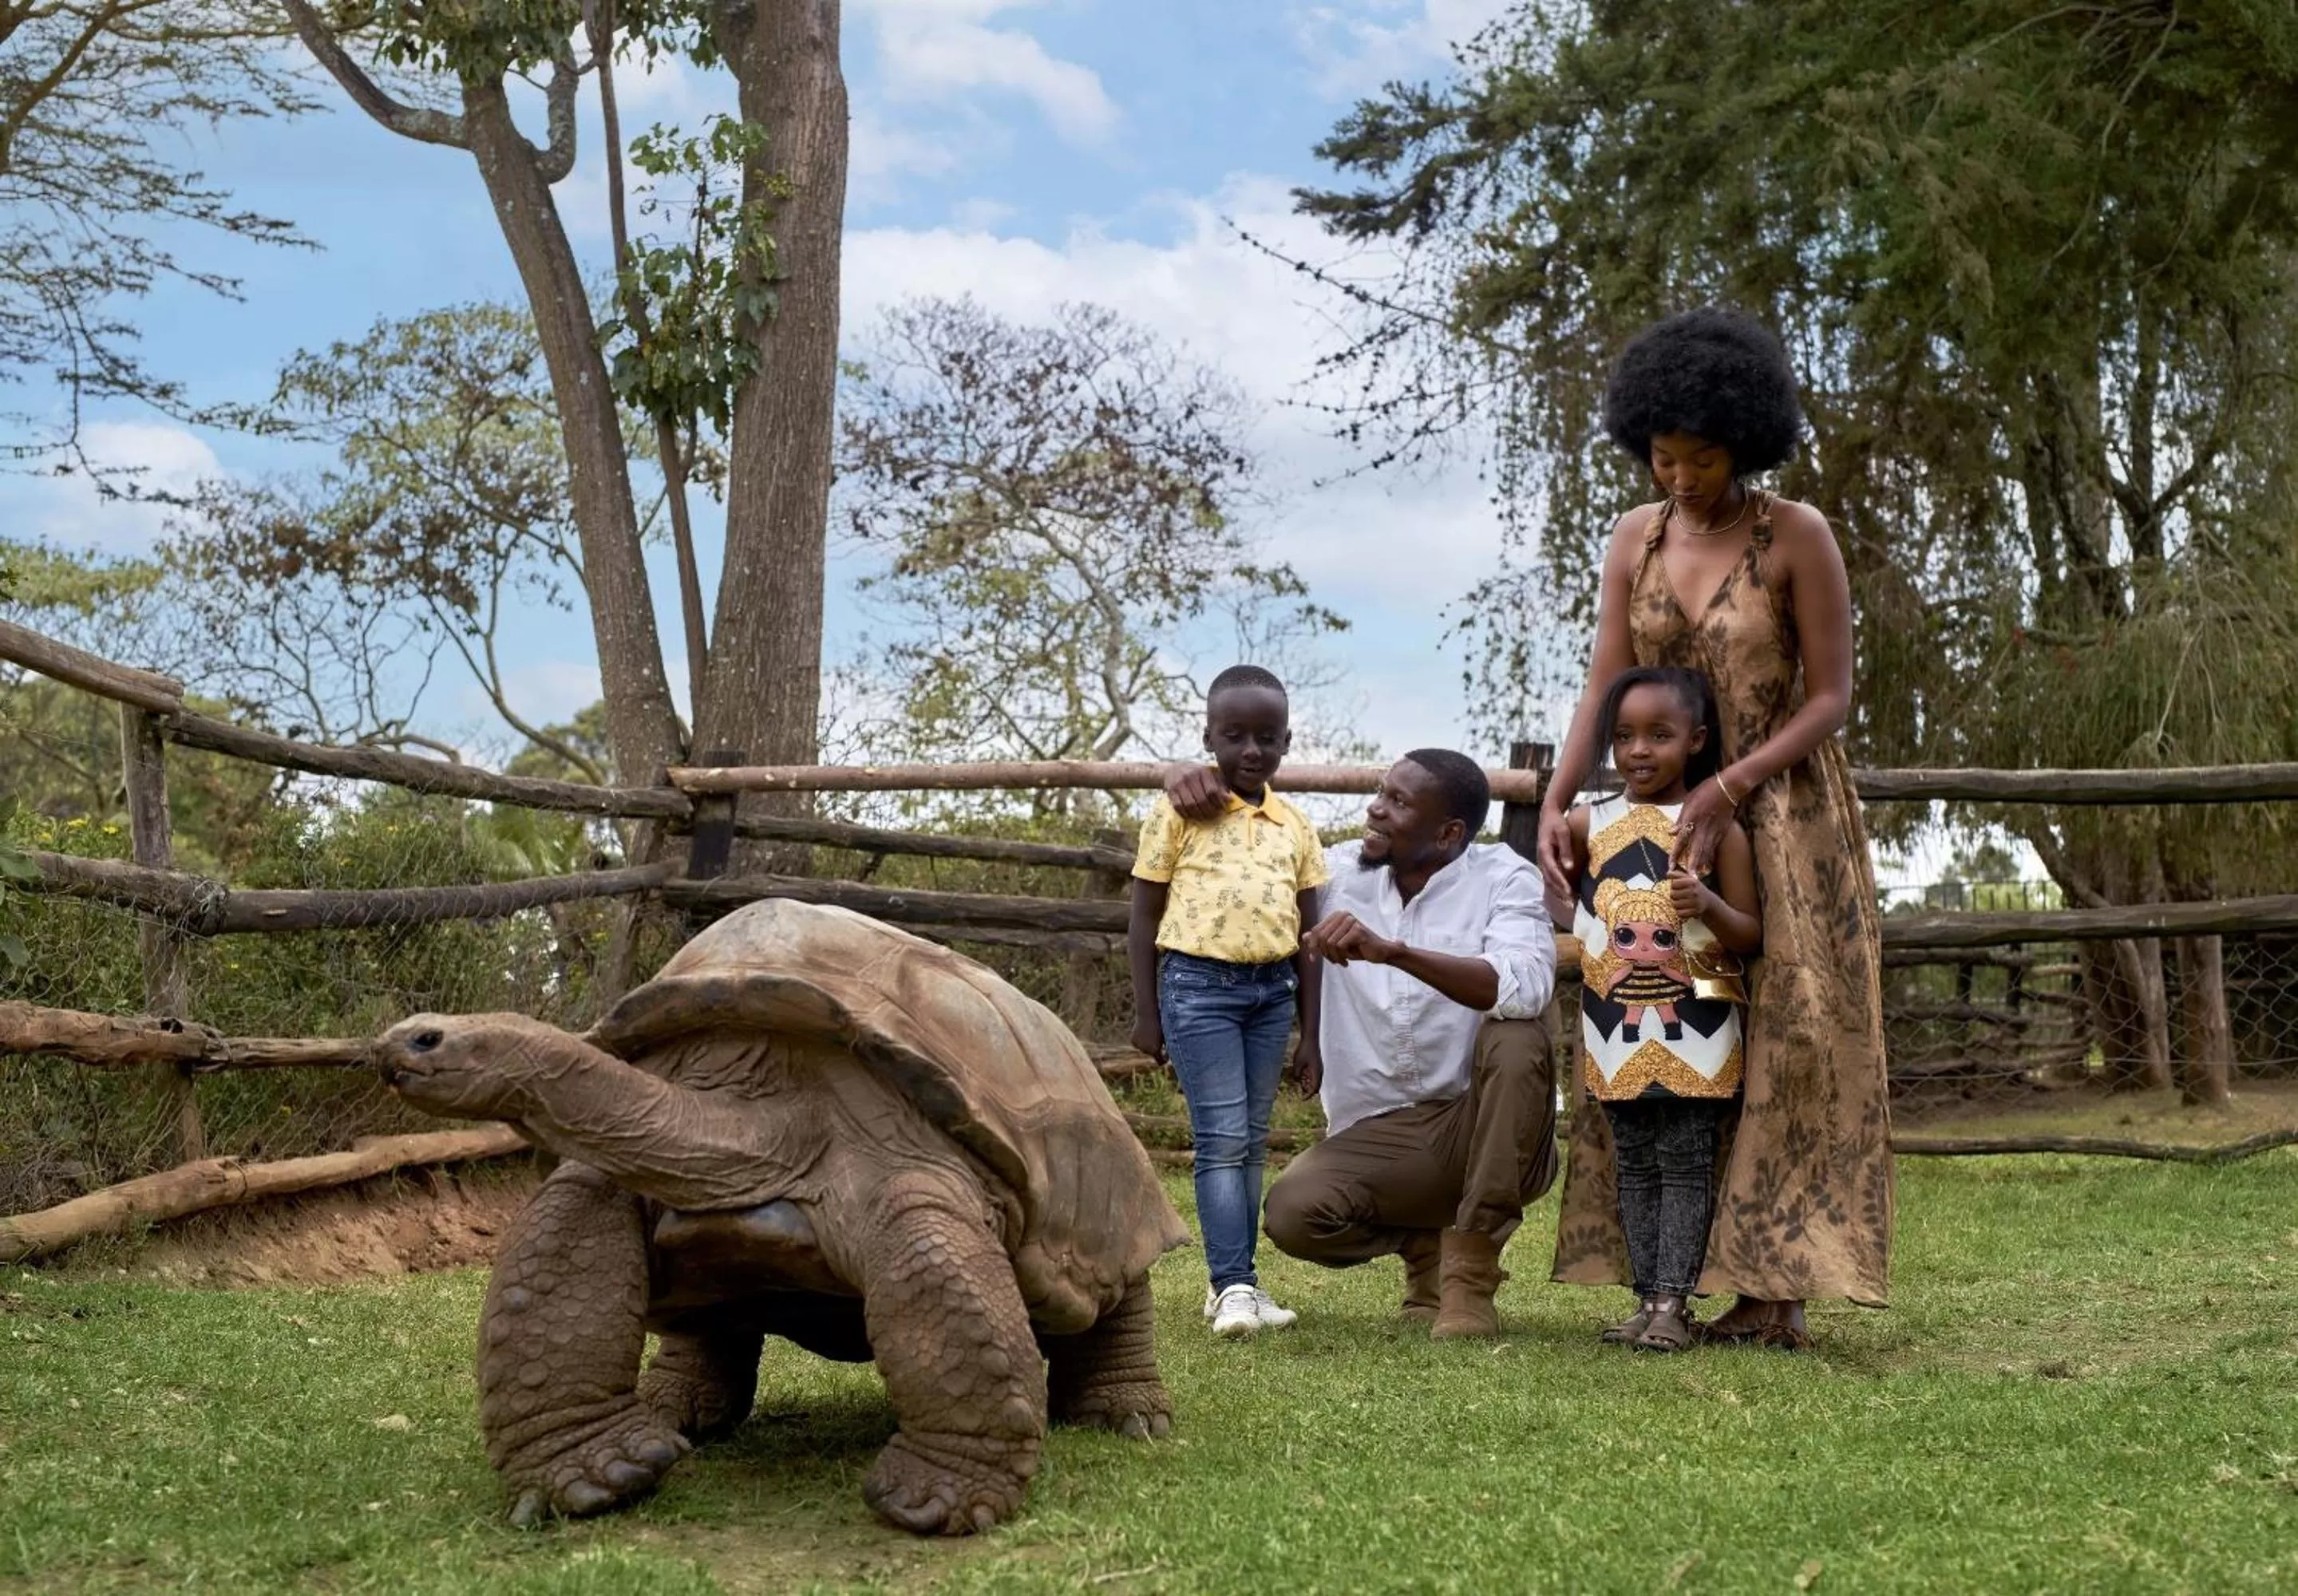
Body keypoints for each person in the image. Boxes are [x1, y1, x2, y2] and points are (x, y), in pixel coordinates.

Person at [1540, 306, 1893, 1347]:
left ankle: (1772, 1287)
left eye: (1700, 459)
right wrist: (1558, 802)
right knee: (1663, 1030)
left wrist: (1728, 785)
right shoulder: (1631, 540)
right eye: (1661, 457)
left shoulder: (1796, 535)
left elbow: (1829, 698)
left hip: (1780, 818)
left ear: (1745, 441)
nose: (1679, 479)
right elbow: (1604, 683)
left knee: (1783, 1044)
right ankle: (1661, 1281)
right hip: (1648, 826)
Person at [1164, 749, 1558, 1339]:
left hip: (1482, 1125)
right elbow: (1232, 880)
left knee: (1517, 1035)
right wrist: (1181, 777)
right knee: (1294, 1216)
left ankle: (1469, 1279)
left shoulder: (1503, 877)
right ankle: (1425, 1250)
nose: (1374, 809)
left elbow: (1525, 987)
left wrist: (1393, 953)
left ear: (1449, 833)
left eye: (1398, 802)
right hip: (1379, 1133)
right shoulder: (1334, 874)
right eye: (1380, 791)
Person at [1551, 666, 1762, 1353]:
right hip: (1610, 1025)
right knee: (1634, 1161)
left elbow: (1751, 932)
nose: (1638, 751)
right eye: (1622, 736)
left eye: (1659, 735)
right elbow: (1566, 898)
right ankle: (1646, 1298)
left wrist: (1710, 907)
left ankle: (1675, 1301)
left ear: (1696, 742)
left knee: (1685, 1159)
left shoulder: (1714, 827)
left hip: (1696, 1025)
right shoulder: (1589, 824)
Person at [1130, 665, 1327, 1339]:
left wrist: (1313, 1035)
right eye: (1235, 735)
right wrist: (1146, 1015)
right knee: (1220, 1141)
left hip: (1271, 993)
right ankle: (1231, 1284)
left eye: (1266, 737)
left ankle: (1238, 1282)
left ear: (1286, 741)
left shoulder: (1294, 827)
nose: (1251, 749)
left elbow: (1309, 940)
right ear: (1208, 736)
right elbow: (1142, 918)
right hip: (1197, 989)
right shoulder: (1179, 813)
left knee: (1248, 1144)